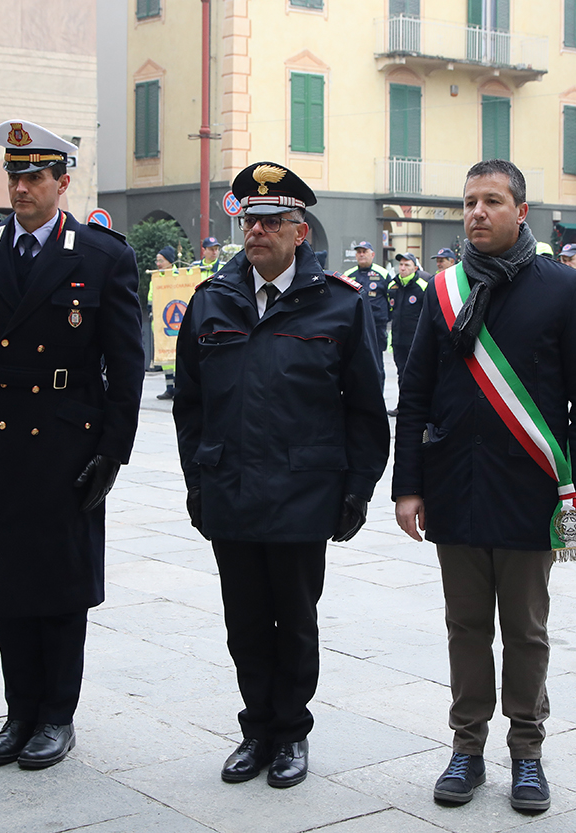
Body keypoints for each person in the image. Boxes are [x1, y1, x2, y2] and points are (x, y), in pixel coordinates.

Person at [393, 160, 576, 813]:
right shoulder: (444, 290)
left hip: (531, 491)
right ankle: (467, 747)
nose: (476, 213)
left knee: (525, 629)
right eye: (469, 202)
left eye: (491, 201)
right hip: (455, 488)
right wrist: (408, 485)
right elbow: (416, 393)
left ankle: (527, 753)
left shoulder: (563, 290)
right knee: (464, 627)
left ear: (521, 210)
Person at [173, 161, 390, 789]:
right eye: (249, 221)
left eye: (272, 221)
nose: (257, 231)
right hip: (232, 488)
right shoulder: (212, 300)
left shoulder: (341, 306)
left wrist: (358, 488)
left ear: (300, 231)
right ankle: (255, 729)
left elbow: (365, 408)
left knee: (294, 618)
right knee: (243, 619)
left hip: (303, 491)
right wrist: (197, 475)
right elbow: (190, 401)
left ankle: (291, 732)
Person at [0, 119, 144, 770]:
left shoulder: (102, 256)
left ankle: (56, 715)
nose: (22, 185)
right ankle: (18, 711)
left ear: (63, 180)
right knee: (5, 584)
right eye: (14, 173)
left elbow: (126, 363)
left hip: (64, 440)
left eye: (35, 175)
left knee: (59, 586)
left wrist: (113, 451)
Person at [388, 252, 429, 412]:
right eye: (401, 265)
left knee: (416, 375)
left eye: (407, 265)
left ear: (415, 268)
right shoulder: (393, 286)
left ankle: (418, 407)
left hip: (416, 340)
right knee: (401, 374)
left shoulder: (423, 285)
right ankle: (403, 406)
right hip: (398, 340)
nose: (403, 268)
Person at [347, 241, 391, 386]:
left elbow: (391, 298)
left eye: (364, 251)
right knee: (357, 361)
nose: (361, 254)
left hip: (377, 325)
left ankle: (379, 396)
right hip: (357, 325)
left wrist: (384, 318)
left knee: (377, 362)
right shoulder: (349, 275)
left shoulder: (383, 274)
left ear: (372, 254)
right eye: (359, 252)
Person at [153, 245, 179, 400]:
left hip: (175, 323)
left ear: (169, 261)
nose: (158, 264)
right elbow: (152, 297)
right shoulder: (156, 277)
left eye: (160, 260)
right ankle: (169, 388)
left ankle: (178, 388)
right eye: (157, 261)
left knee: (177, 359)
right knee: (166, 360)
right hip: (161, 323)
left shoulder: (180, 275)